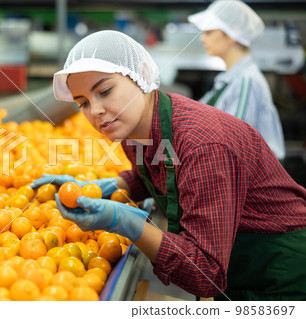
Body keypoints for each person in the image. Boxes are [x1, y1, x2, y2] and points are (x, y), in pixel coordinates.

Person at [30, 30, 306, 301]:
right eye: (83, 103)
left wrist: (127, 223)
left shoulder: (203, 144)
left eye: (105, 90)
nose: (96, 111)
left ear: (142, 76)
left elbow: (206, 274)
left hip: (282, 277)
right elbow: (154, 174)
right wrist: (102, 188)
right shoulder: (134, 129)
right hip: (238, 272)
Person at [188, 0, 286, 161]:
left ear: (233, 34)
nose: (202, 39)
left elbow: (231, 147)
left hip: (252, 184)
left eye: (209, 32)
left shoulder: (246, 82)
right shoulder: (228, 81)